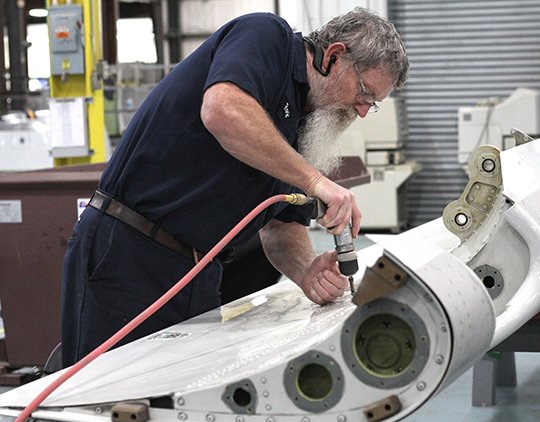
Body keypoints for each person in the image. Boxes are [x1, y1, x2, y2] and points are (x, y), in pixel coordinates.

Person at [61, 7, 409, 373]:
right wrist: (317, 181)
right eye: (364, 92)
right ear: (334, 56)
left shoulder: (308, 128)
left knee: (179, 405)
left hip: (201, 273)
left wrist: (306, 270)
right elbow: (222, 110)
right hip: (128, 256)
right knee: (105, 400)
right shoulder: (266, 36)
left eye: (372, 104)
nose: (363, 110)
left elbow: (281, 226)